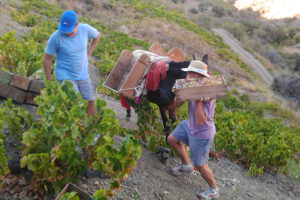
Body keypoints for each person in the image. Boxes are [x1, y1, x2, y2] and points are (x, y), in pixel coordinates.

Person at [167, 60, 219, 200]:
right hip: (189, 124)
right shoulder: (189, 86)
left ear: (200, 76)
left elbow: (200, 119)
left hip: (202, 132)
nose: (188, 75)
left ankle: (214, 189)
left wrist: (197, 99)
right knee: (172, 139)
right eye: (188, 72)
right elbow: (178, 104)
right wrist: (179, 94)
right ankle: (185, 165)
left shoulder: (208, 92)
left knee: (200, 163)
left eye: (192, 73)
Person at [43, 10, 100, 117]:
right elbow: (46, 59)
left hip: (82, 74)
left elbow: (97, 36)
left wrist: (88, 53)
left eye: (70, 30)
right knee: (75, 103)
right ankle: (74, 130)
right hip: (65, 76)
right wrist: (48, 81)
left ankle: (91, 130)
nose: (67, 33)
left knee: (90, 101)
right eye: (64, 30)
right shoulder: (55, 37)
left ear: (76, 24)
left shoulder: (85, 29)